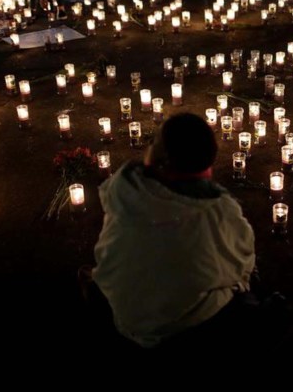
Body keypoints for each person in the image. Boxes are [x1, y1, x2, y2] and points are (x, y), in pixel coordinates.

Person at [91, 112, 257, 349]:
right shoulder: (217, 209)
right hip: (182, 332)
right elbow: (242, 259)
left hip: (126, 316)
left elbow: (109, 252)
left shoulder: (127, 192)